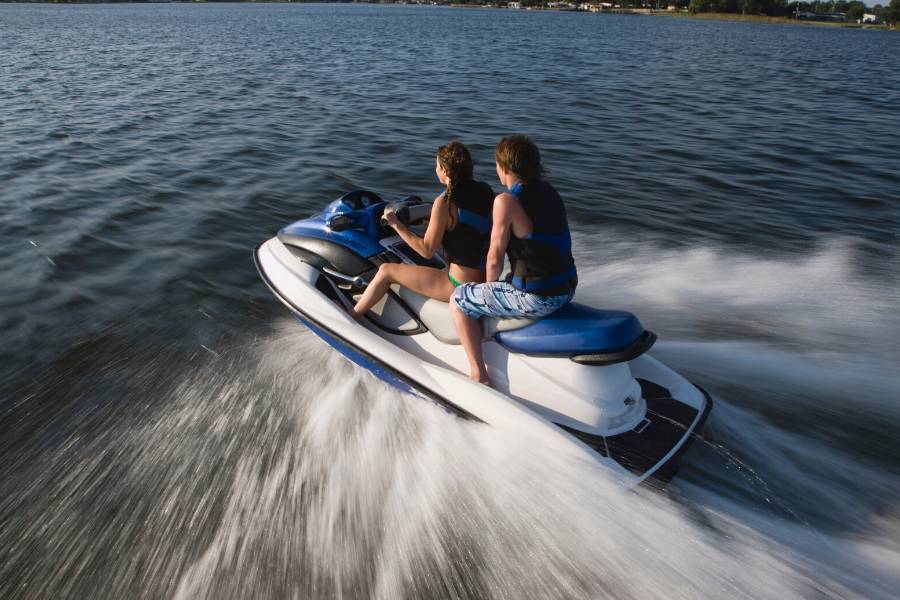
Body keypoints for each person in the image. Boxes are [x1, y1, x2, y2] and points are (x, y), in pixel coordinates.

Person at [451, 135, 577, 384]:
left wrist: (486, 294)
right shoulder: (549, 192)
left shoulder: (506, 201)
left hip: (538, 298)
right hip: (567, 288)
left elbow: (494, 258)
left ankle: (479, 373)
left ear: (505, 168)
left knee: (459, 299)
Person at [351, 141, 494, 319]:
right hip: (484, 281)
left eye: (437, 165)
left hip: (458, 285)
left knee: (386, 270)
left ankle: (352, 316)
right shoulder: (485, 190)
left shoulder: (444, 202)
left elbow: (426, 250)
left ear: (445, 170)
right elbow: (468, 227)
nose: (436, 169)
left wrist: (396, 224)